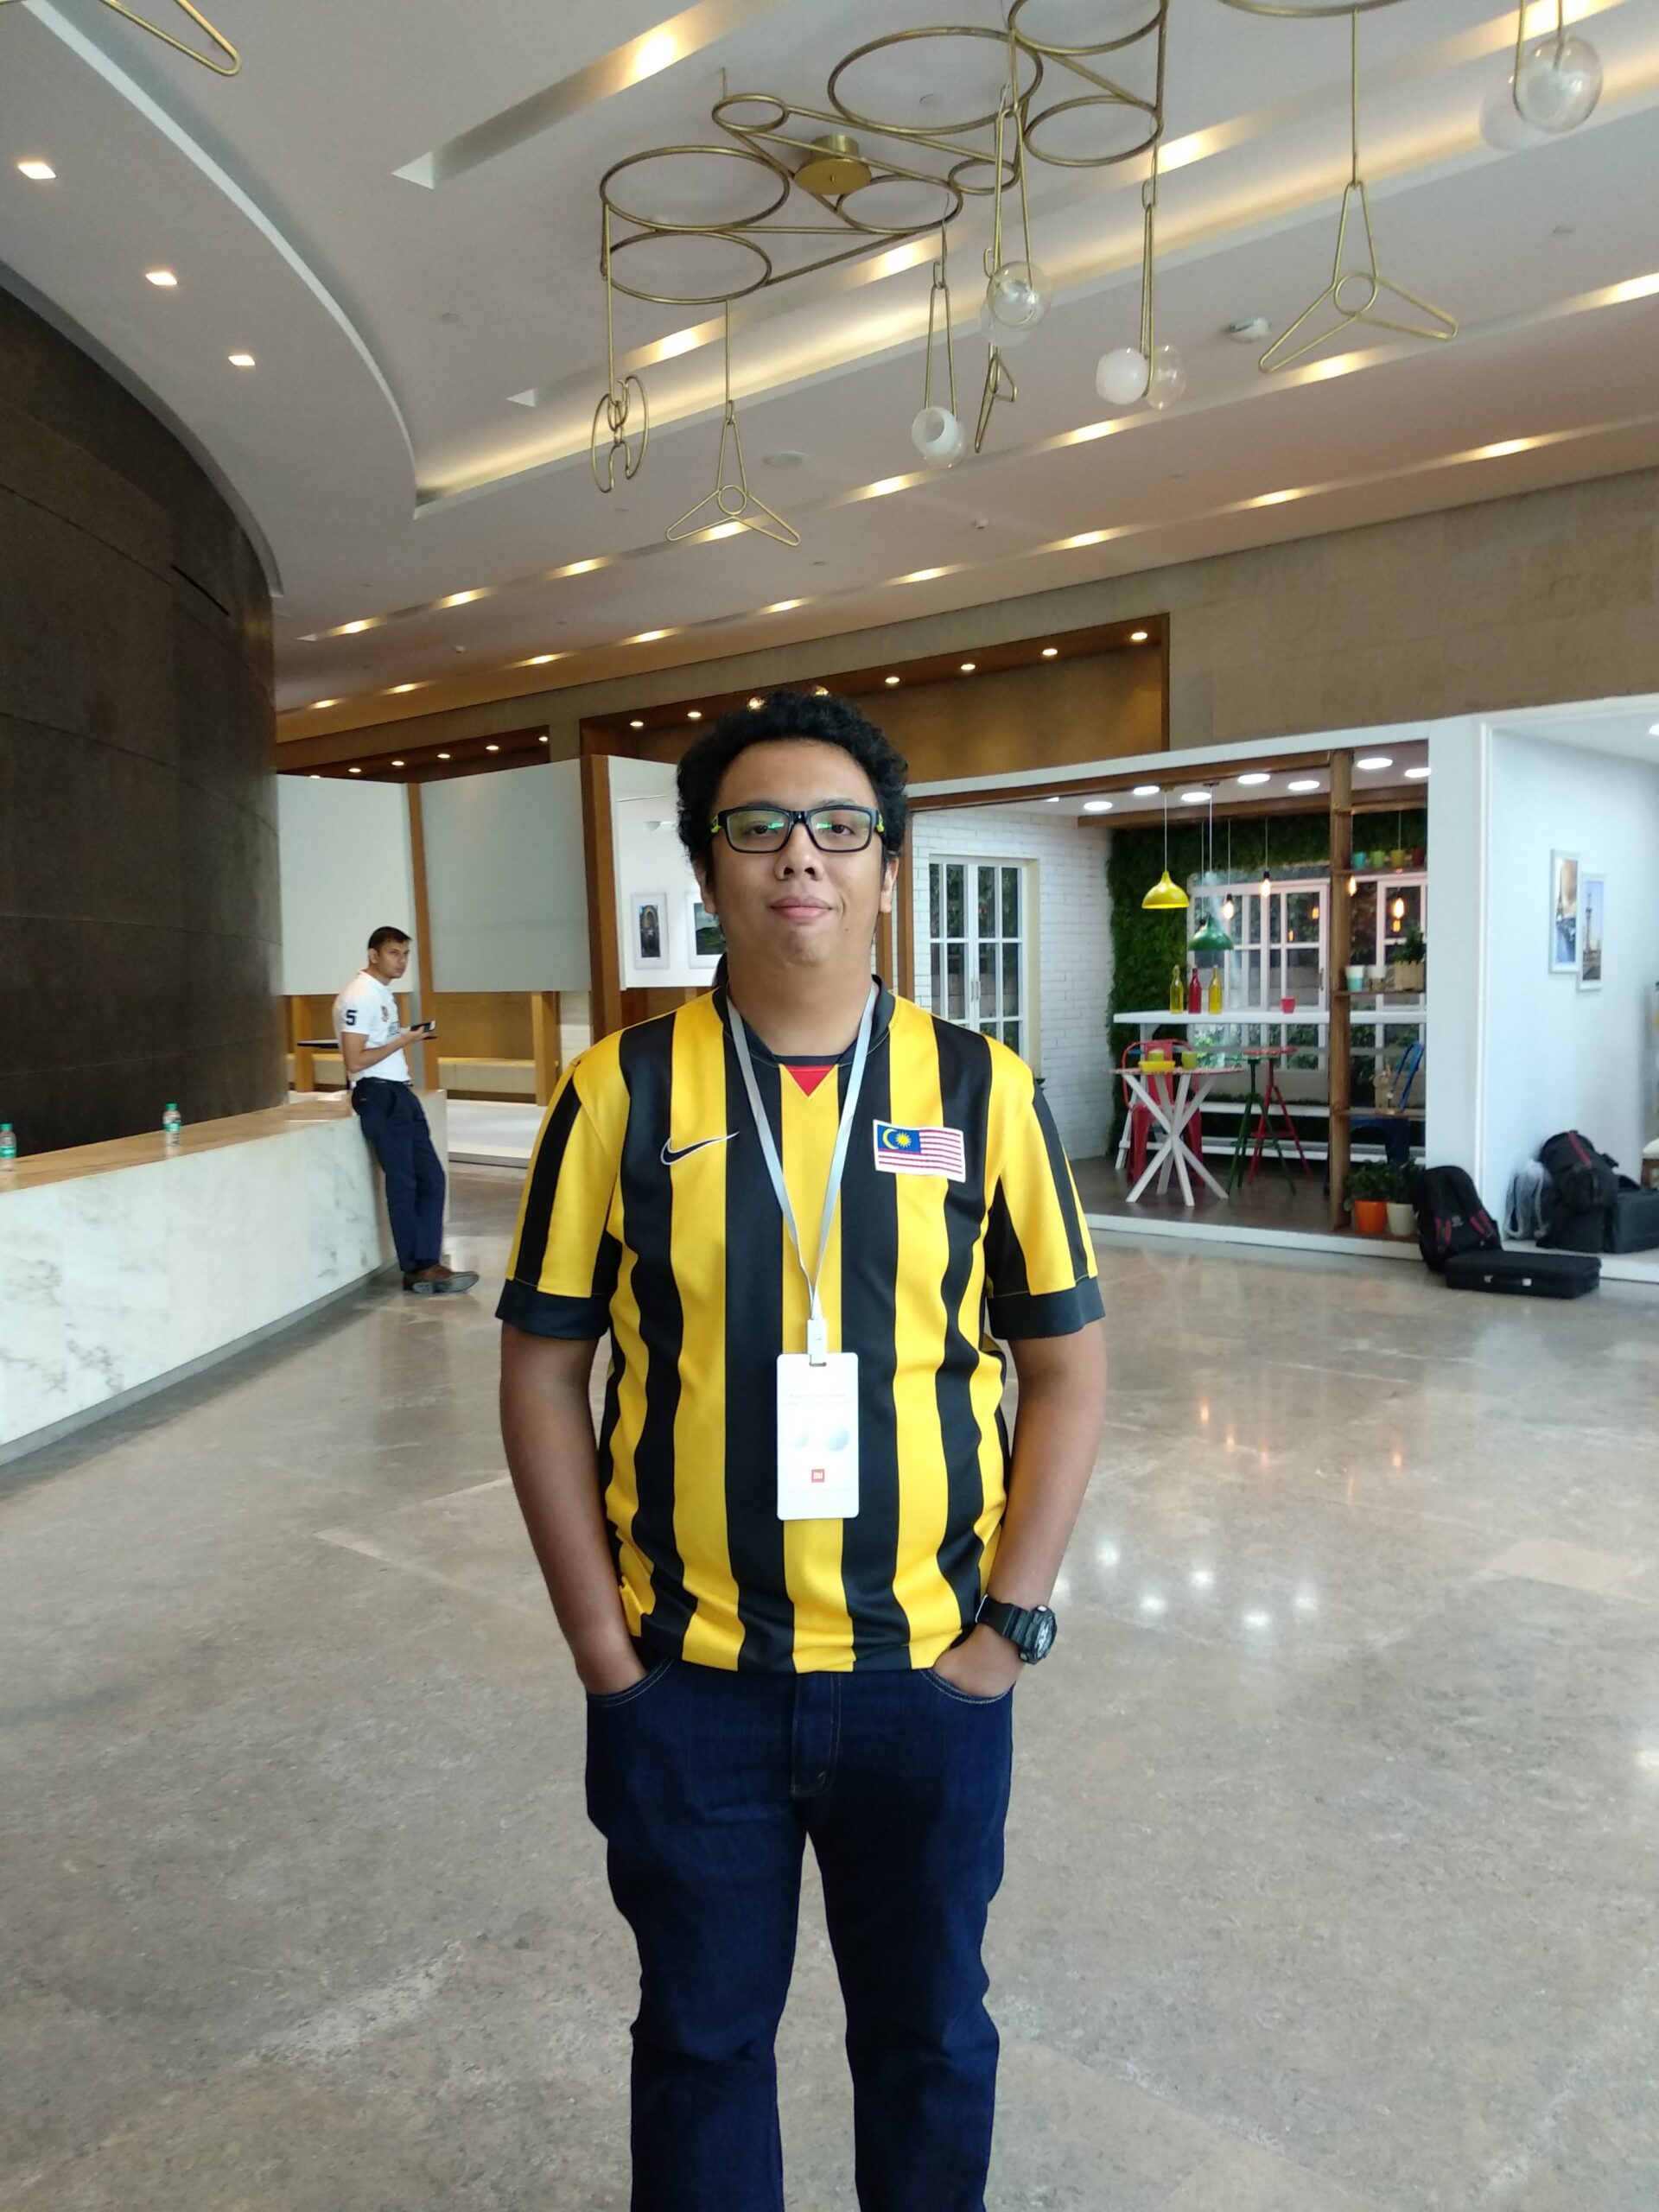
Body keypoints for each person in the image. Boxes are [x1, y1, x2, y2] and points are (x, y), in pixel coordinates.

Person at [497, 692, 1106, 2211]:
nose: (801, 857)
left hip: (927, 1678)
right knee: (701, 2045)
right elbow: (542, 1368)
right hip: (691, 1684)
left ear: (888, 866)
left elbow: (1066, 1366)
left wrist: (1008, 1630)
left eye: (840, 827)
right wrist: (603, 1654)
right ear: (709, 867)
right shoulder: (619, 1091)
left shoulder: (986, 1091)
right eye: (757, 826)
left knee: (931, 2035)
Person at [332, 926, 478, 1297]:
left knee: (431, 1177)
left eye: (406, 954)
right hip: (378, 1094)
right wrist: (403, 1040)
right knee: (405, 1181)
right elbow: (354, 1060)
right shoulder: (359, 996)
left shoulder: (382, 994)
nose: (401, 962)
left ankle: (427, 1261)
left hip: (398, 1091)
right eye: (394, 953)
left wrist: (405, 1039)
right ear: (374, 955)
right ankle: (416, 1267)